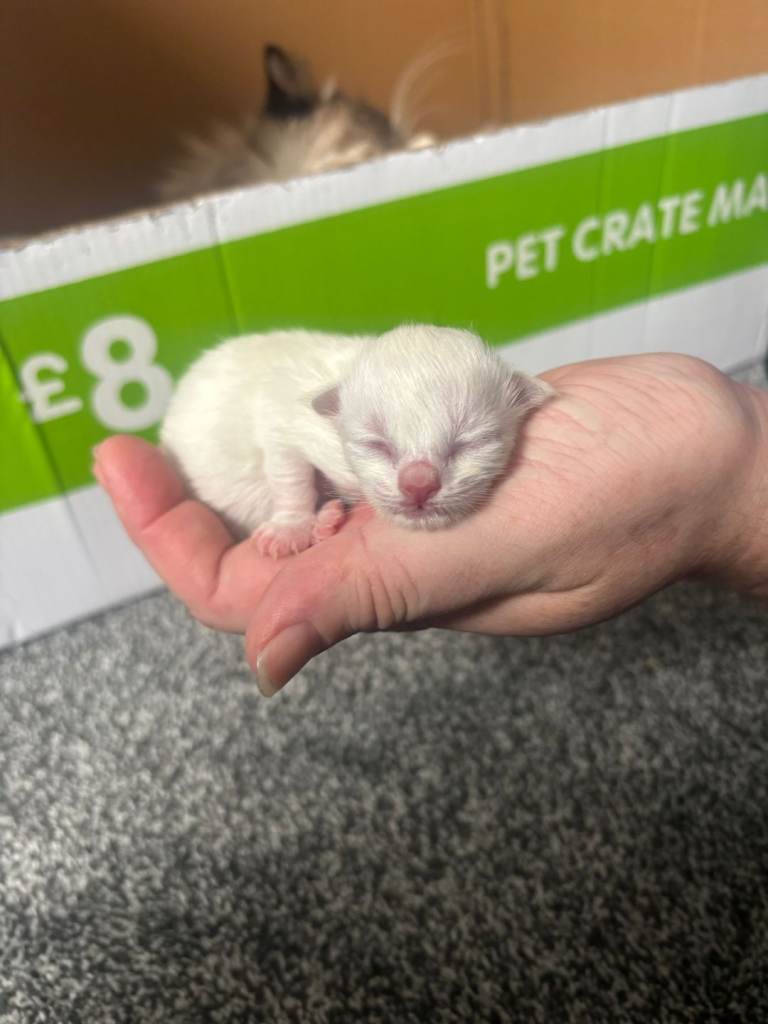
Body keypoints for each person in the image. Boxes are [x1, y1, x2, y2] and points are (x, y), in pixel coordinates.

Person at [93, 352, 768, 697]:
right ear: (339, 412)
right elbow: (280, 421)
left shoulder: (478, 393)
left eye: (469, 445)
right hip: (220, 460)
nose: (418, 485)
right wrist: (293, 513)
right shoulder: (338, 408)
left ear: (523, 401)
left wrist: (733, 466)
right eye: (378, 449)